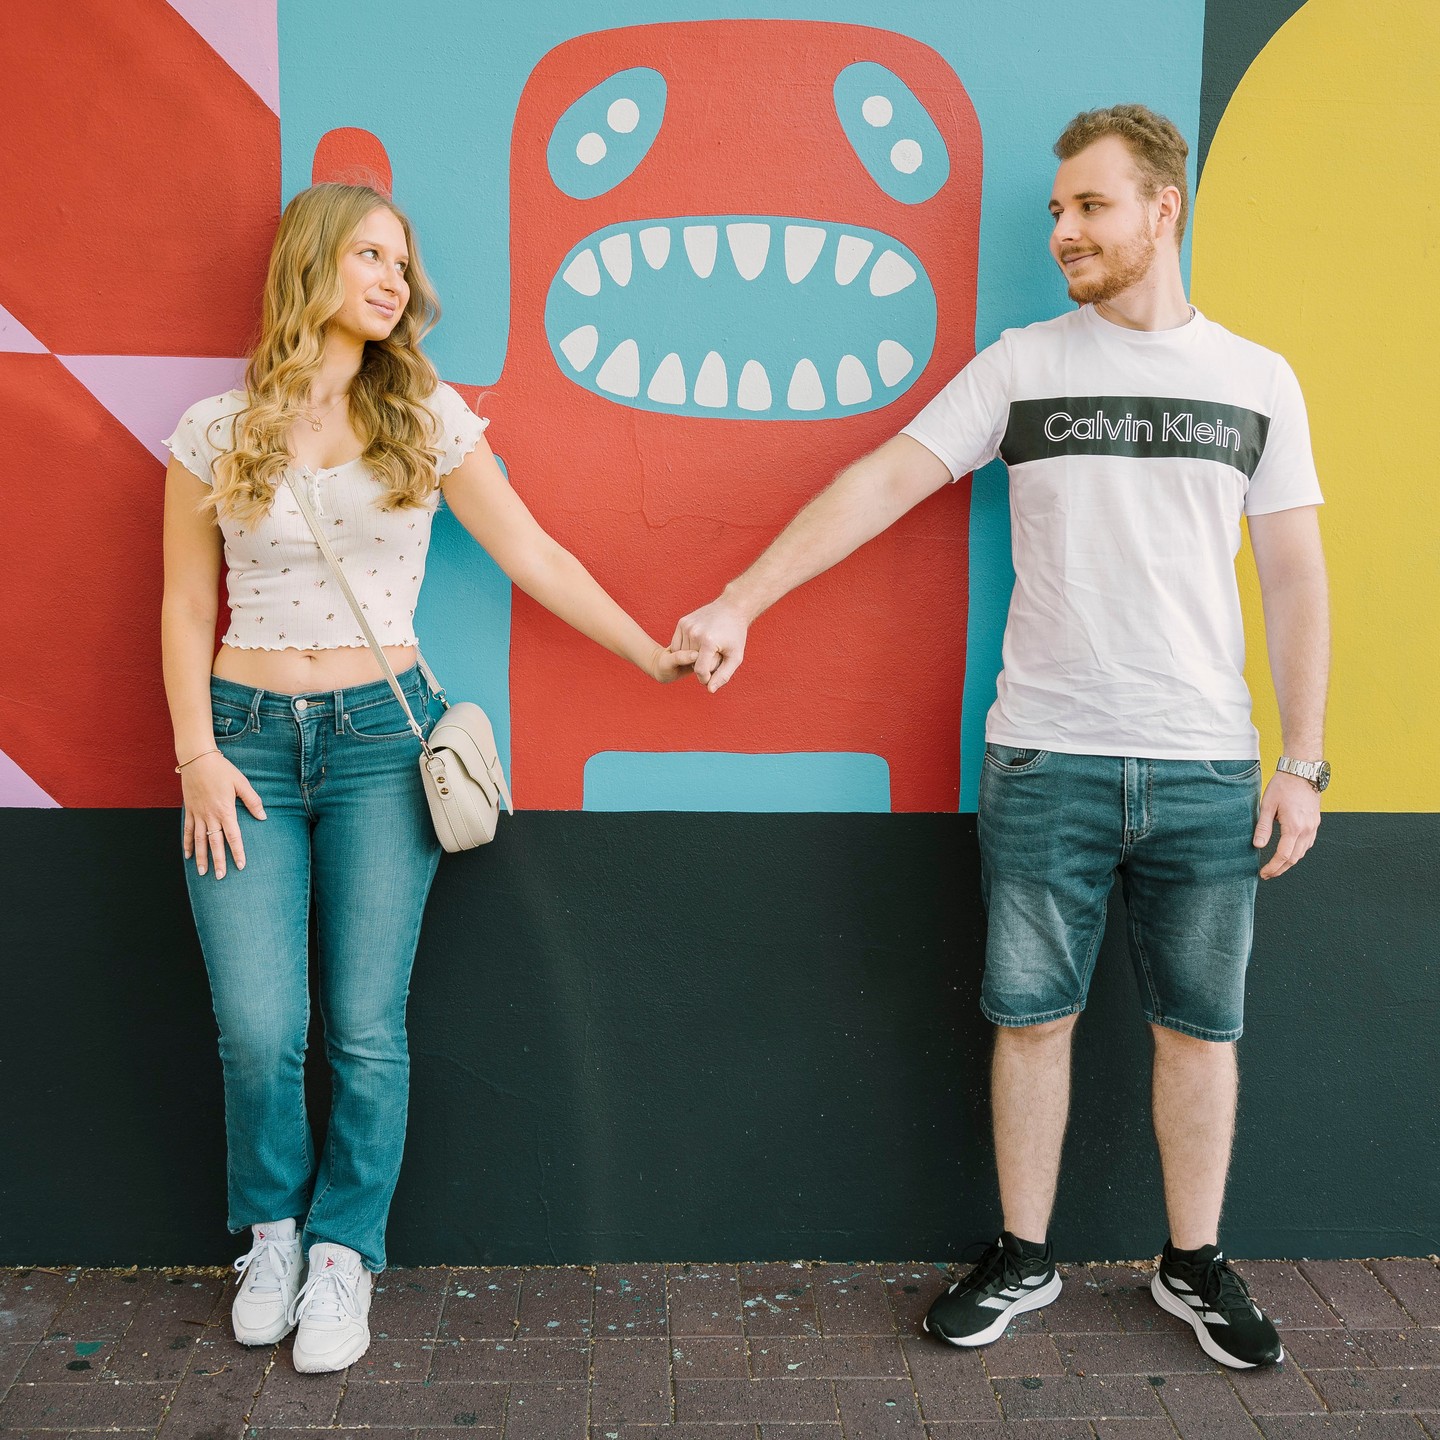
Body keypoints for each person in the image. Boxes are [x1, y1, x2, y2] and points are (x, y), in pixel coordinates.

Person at [672, 105, 1328, 1370]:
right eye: (1057, 211)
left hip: (1207, 766)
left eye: (1090, 206)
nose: (1064, 229)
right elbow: (886, 478)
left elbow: (1296, 574)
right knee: (1030, 1017)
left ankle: (1193, 1264)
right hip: (1043, 760)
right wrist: (744, 597)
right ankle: (1025, 1256)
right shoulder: (1025, 365)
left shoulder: (1256, 380)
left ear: (1163, 211)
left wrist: (1301, 761)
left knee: (1202, 1029)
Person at [161, 182, 694, 1373]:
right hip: (243, 741)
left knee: (365, 1027)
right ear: (312, 265)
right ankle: (272, 1238)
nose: (393, 279)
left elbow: (532, 552)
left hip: (380, 743)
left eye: (401, 262)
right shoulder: (216, 429)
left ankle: (344, 1252)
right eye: (370, 255)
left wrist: (647, 653)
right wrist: (196, 752)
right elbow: (187, 602)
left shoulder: (426, 419)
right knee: (259, 1029)